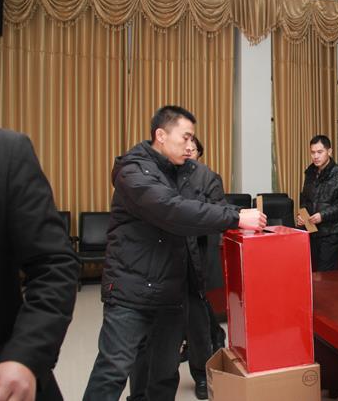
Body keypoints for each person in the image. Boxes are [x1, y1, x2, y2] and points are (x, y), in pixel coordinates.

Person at [83, 106, 266, 401]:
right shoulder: (134, 171)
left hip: (170, 290)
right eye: (186, 137)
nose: (190, 145)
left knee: (164, 374)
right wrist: (236, 216)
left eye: (193, 138)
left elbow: (204, 206)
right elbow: (172, 209)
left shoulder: (182, 171)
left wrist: (235, 214)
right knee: (113, 371)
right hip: (131, 290)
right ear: (161, 135)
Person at [0, 129, 79, 401]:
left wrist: (25, 356)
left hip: (6, 370)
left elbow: (54, 264)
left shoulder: (6, 151)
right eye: (184, 137)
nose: (189, 146)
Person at [297, 135, 338, 271]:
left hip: (332, 233)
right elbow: (305, 199)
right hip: (312, 232)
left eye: (320, 152)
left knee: (326, 274)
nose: (315, 156)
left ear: (329, 151)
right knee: (312, 272)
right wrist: (302, 216)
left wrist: (322, 216)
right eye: (313, 152)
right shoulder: (310, 173)